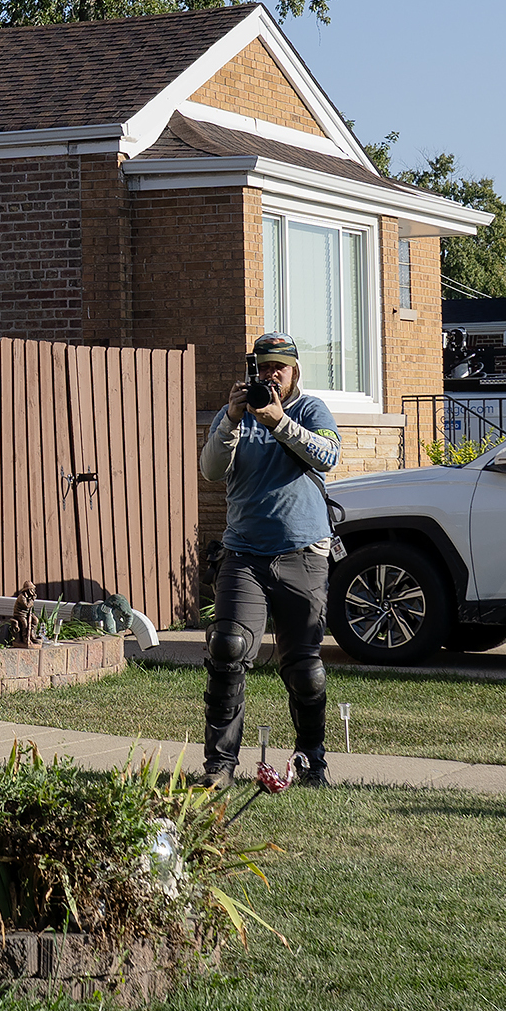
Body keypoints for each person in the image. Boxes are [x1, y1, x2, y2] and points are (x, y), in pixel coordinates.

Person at [197, 330, 340, 786]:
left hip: (303, 553)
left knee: (305, 668)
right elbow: (211, 470)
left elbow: (327, 455)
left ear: (295, 370)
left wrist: (278, 420)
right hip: (244, 556)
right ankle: (219, 767)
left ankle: (311, 762)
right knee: (228, 648)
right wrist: (233, 420)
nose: (270, 375)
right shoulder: (233, 415)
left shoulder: (310, 409)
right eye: (262, 367)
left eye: (279, 366)